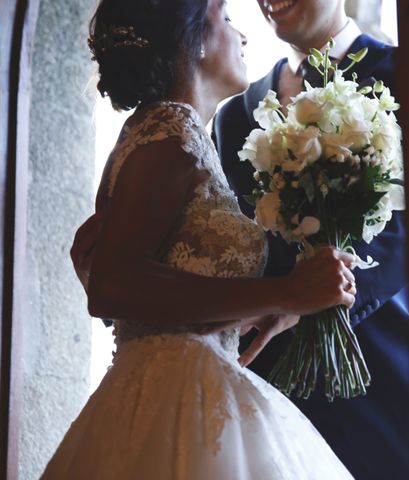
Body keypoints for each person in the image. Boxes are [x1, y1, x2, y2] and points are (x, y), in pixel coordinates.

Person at [43, 0, 358, 478]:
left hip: (192, 382)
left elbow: (147, 275)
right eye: (228, 18)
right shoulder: (171, 133)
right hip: (176, 397)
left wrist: (264, 307)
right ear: (194, 38)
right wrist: (284, 291)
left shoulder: (178, 132)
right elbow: (113, 285)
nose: (245, 35)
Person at [212, 1, 409, 478]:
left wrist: (316, 299)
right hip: (268, 382)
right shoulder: (234, 116)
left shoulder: (405, 74)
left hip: (375, 364)